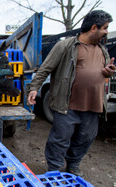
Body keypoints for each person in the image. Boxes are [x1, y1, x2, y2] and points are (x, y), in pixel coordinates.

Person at [27, 10, 115, 176]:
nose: (106, 32)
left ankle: (73, 165)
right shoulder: (65, 46)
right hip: (67, 104)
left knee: (86, 138)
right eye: (105, 28)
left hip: (93, 105)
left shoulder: (102, 50)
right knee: (60, 139)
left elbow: (99, 73)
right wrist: (33, 88)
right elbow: (45, 68)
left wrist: (107, 73)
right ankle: (54, 168)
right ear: (94, 27)